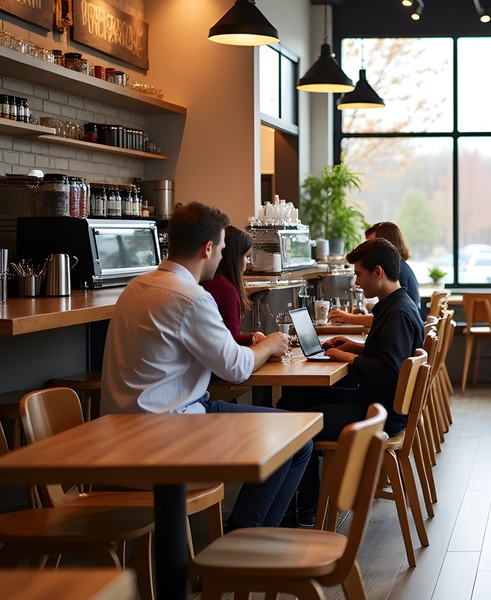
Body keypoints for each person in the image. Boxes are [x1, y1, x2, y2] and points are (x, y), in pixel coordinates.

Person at [100, 202, 310, 531]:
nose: (223, 256)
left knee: (289, 435)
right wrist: (269, 344)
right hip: (171, 432)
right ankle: (245, 541)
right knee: (296, 438)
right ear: (208, 248)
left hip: (120, 433)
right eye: (222, 248)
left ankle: (250, 541)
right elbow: (237, 368)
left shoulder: (135, 288)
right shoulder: (192, 298)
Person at [278, 237, 423, 525]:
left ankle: (306, 510)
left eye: (359, 274)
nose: (357, 282)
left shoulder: (397, 313)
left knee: (295, 426)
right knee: (289, 401)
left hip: (379, 413)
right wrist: (352, 346)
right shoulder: (394, 306)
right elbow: (387, 355)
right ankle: (299, 502)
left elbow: (388, 371)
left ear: (378, 273)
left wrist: (347, 359)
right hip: (376, 403)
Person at [329, 221, 422, 325]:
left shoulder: (398, 273)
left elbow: (390, 321)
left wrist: (346, 317)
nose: (366, 248)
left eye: (371, 243)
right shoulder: (401, 268)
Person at [201, 225, 267, 346]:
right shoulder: (226, 291)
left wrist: (253, 337)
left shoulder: (207, 282)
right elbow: (231, 343)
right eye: (246, 256)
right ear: (234, 258)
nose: (248, 262)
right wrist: (270, 344)